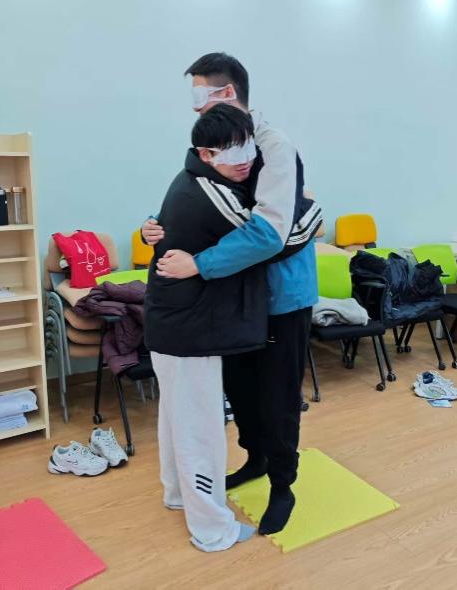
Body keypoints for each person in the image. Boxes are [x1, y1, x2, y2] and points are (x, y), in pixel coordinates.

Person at [143, 53, 319, 536]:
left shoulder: (274, 147)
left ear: (226, 93)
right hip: (234, 297)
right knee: (241, 389)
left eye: (200, 94)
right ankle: (255, 458)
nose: (195, 107)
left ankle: (282, 484)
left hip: (281, 296)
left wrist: (199, 263)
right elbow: (202, 196)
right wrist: (156, 227)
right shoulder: (218, 139)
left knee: (277, 396)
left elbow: (271, 233)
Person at [145, 104, 270, 552]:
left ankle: (178, 495)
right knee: (200, 429)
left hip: (174, 323)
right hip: (189, 329)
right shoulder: (210, 192)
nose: (246, 160)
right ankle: (213, 529)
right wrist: (307, 206)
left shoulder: (191, 178)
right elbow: (271, 235)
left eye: (249, 148)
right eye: (233, 152)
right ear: (206, 153)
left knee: (177, 419)